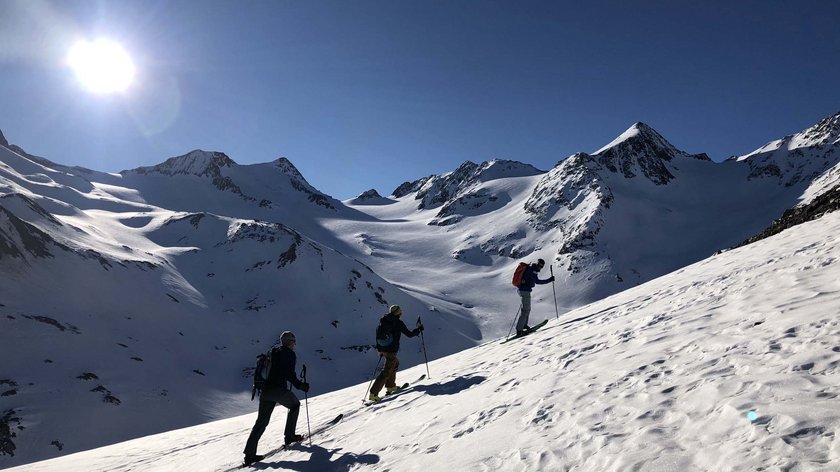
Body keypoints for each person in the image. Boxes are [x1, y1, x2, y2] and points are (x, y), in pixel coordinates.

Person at [243, 331, 310, 466]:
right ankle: (289, 436)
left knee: (261, 422)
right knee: (295, 405)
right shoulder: (289, 354)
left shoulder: (274, 352)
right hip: (278, 390)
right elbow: (288, 373)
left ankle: (249, 455)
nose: (294, 344)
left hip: (266, 391)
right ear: (289, 342)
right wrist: (300, 385)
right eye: (293, 342)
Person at [369, 305, 423, 402]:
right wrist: (418, 330)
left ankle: (391, 387)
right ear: (398, 312)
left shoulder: (384, 320)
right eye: (400, 311)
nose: (401, 312)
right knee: (387, 371)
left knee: (394, 364)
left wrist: (380, 350)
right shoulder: (397, 322)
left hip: (383, 349)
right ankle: (373, 394)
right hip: (391, 350)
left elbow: (378, 335)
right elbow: (409, 334)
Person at [515, 258, 554, 336]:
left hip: (524, 290)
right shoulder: (532, 270)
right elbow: (537, 281)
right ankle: (519, 330)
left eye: (542, 266)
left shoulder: (532, 269)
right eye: (540, 265)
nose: (540, 267)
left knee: (527, 309)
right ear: (537, 263)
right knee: (525, 310)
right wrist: (550, 280)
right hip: (524, 291)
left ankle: (524, 325)